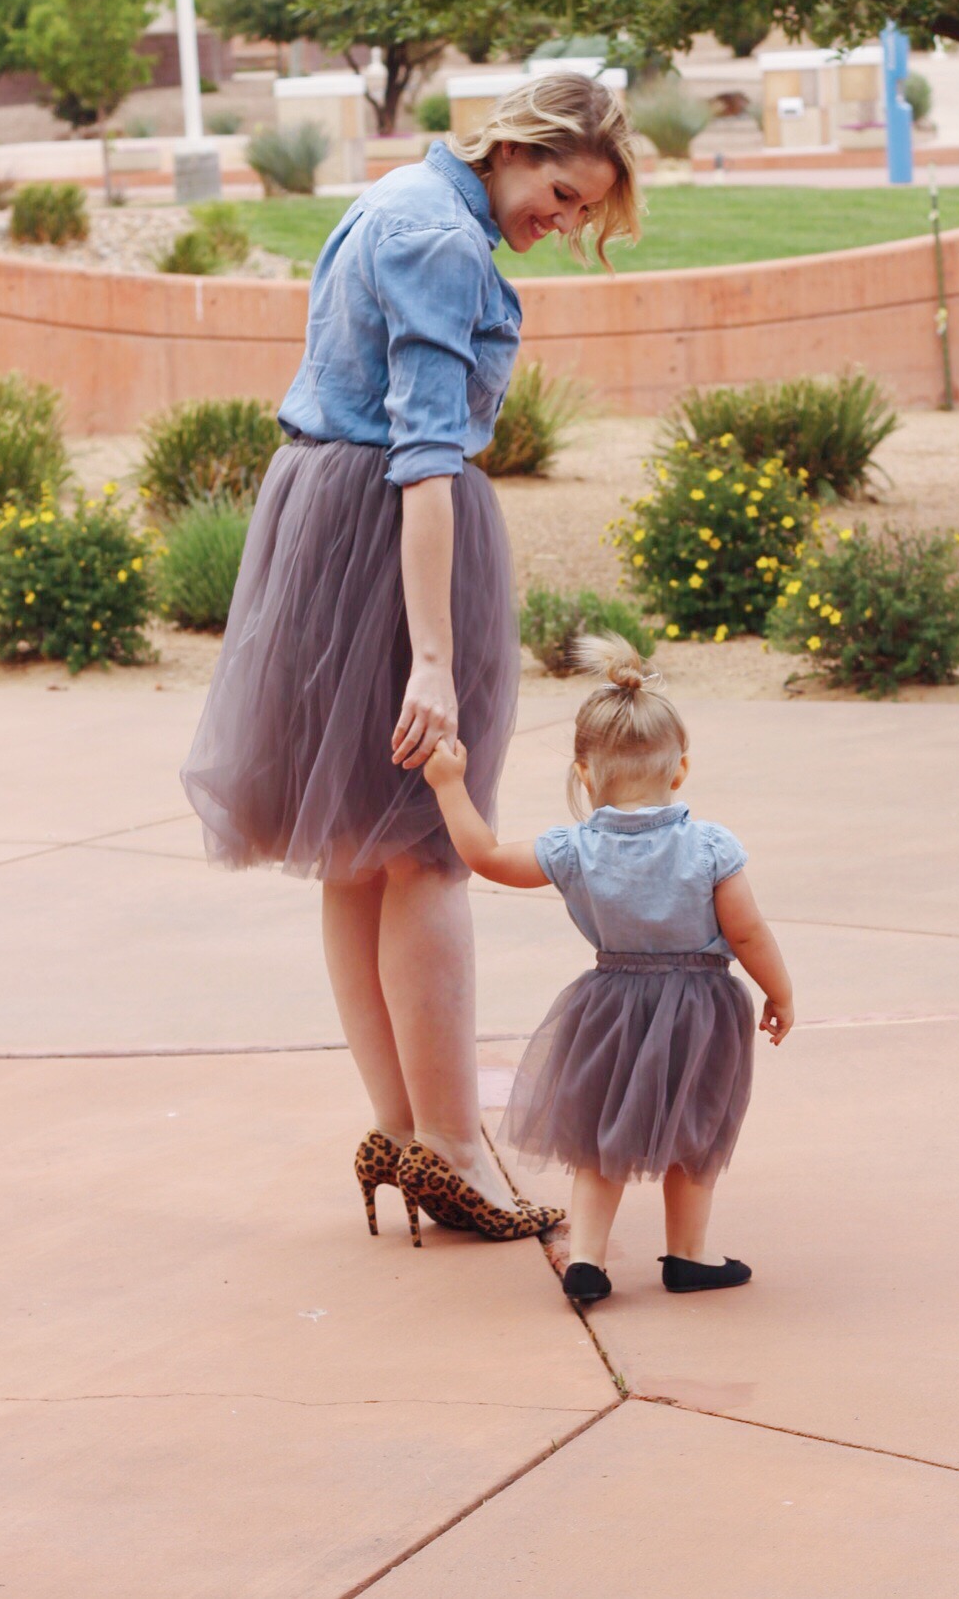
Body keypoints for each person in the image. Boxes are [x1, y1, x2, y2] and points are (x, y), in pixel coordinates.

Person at [180, 73, 641, 1247]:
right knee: (431, 845)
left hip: (316, 512)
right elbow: (427, 458)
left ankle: (404, 1132)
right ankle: (447, 1150)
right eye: (559, 190)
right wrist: (430, 660)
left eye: (581, 209)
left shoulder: (394, 197)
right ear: (517, 148)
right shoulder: (442, 239)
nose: (562, 220)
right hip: (390, 530)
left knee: (355, 843)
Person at [423, 634, 795, 1301]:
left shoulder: (574, 849)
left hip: (610, 1007)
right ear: (679, 771)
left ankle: (589, 1260)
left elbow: (483, 855)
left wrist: (449, 784)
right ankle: (689, 1255)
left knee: (602, 1138)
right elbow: (748, 931)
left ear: (584, 773)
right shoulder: (711, 846)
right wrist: (780, 991)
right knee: (697, 1129)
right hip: (702, 1010)